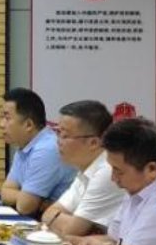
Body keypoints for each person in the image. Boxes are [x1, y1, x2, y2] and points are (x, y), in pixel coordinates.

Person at [41, 100, 125, 237]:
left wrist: (74, 225)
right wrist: (86, 228)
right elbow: (48, 214)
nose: (58, 141)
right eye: (58, 133)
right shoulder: (86, 169)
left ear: (93, 142)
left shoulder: (108, 171)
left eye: (65, 135)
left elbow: (71, 232)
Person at [0, 87, 73, 217]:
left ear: (28, 125)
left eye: (7, 118)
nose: (1, 124)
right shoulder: (25, 146)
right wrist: (29, 198)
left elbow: (25, 207)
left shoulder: (47, 149)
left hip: (59, 222)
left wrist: (27, 199)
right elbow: (5, 192)